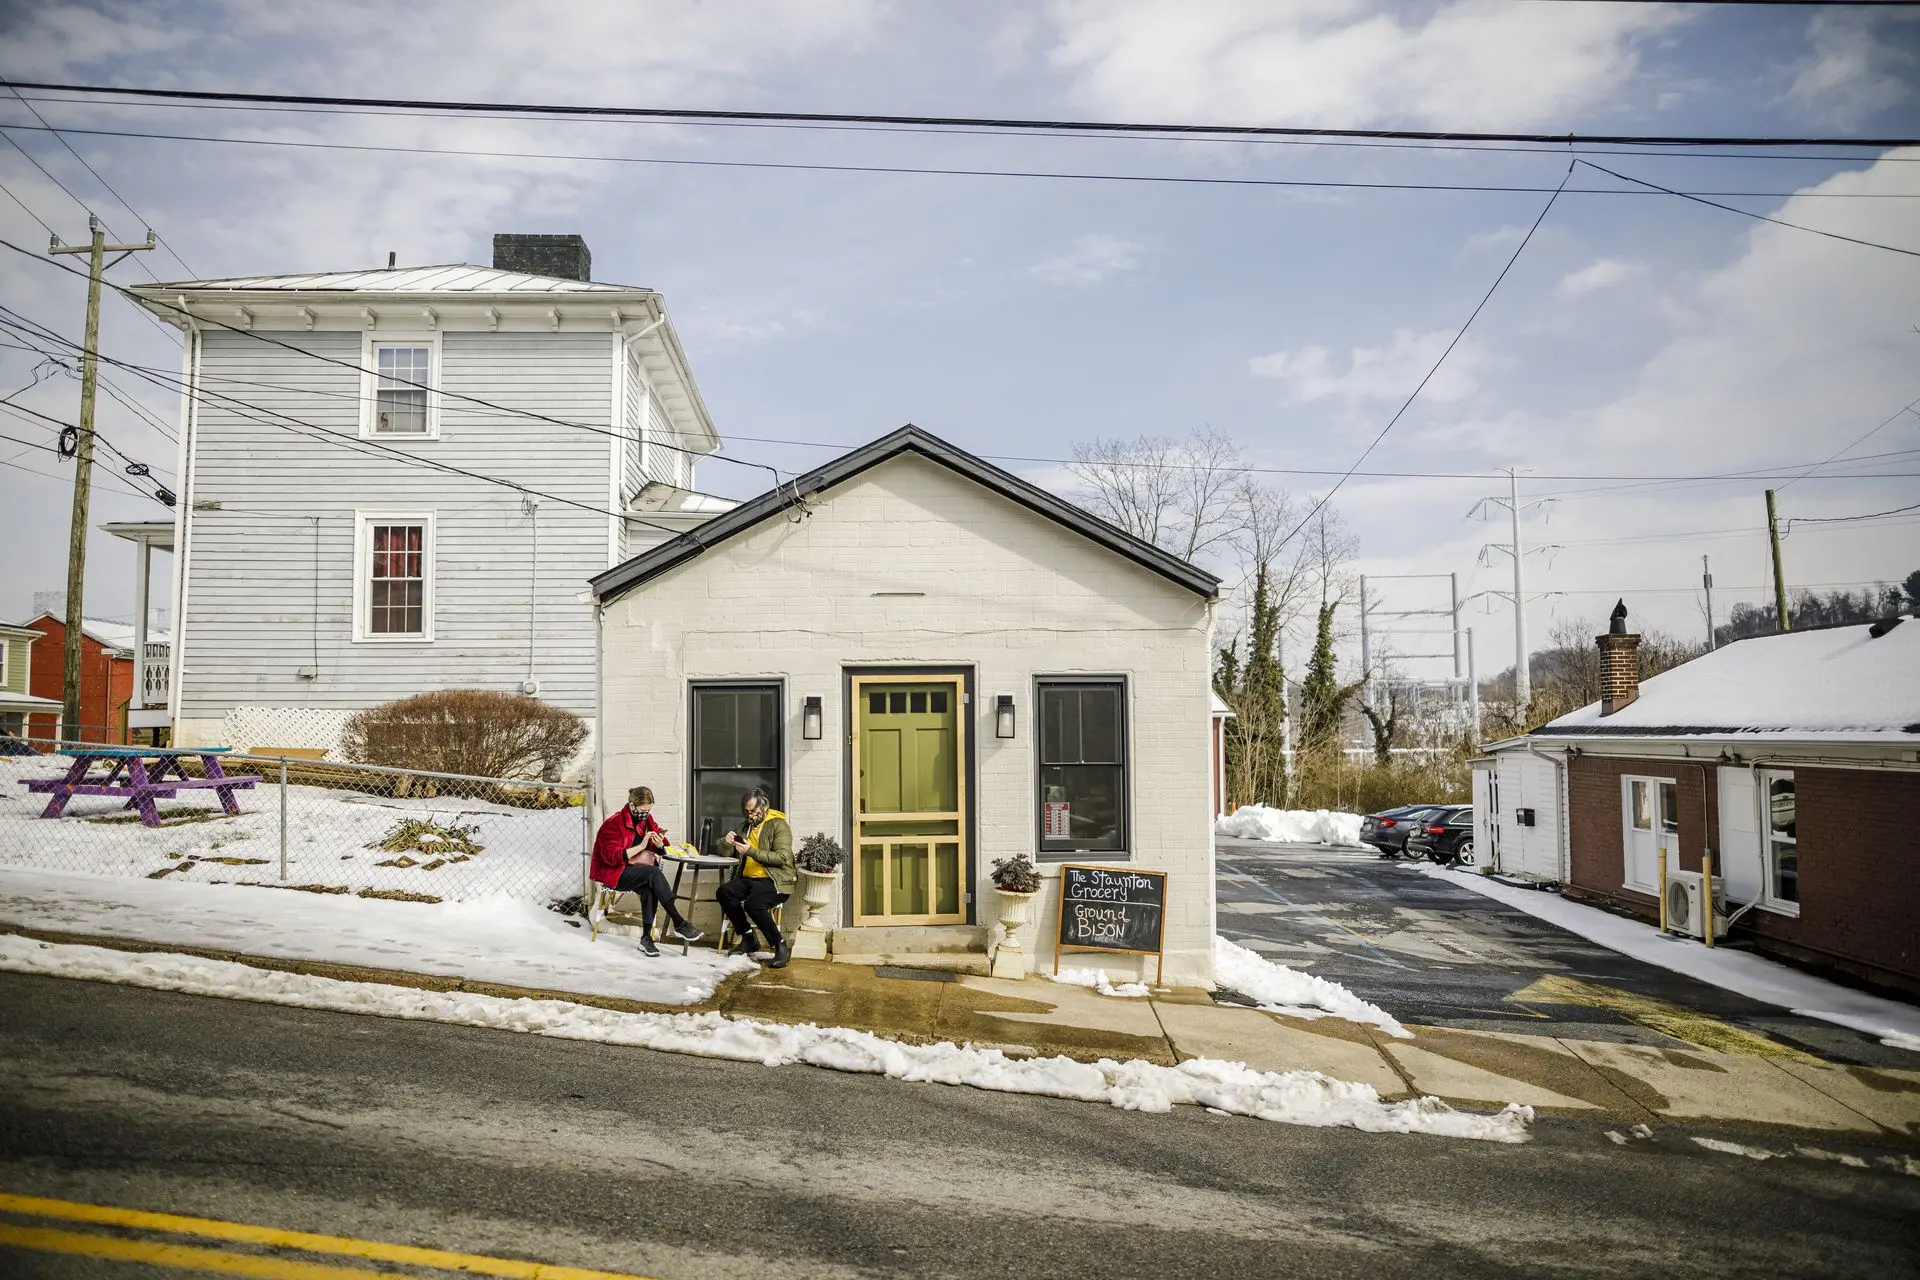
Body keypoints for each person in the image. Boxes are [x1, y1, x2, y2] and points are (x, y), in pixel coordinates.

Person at [590, 785, 704, 957]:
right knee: (653, 873)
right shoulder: (613, 824)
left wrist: (660, 844)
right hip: (615, 873)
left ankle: (646, 939)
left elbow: (663, 845)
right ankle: (679, 922)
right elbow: (612, 857)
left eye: (648, 810)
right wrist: (642, 845)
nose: (645, 814)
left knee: (650, 887)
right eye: (643, 811)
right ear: (631, 805)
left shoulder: (647, 820)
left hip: (637, 872)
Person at [716, 787, 794, 968]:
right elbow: (722, 852)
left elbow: (782, 858)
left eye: (753, 811)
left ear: (764, 806)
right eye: (746, 811)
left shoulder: (778, 825)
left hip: (775, 880)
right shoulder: (745, 827)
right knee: (725, 892)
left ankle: (779, 945)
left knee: (754, 904)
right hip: (749, 880)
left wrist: (751, 851)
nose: (750, 816)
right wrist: (725, 842)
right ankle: (748, 937)